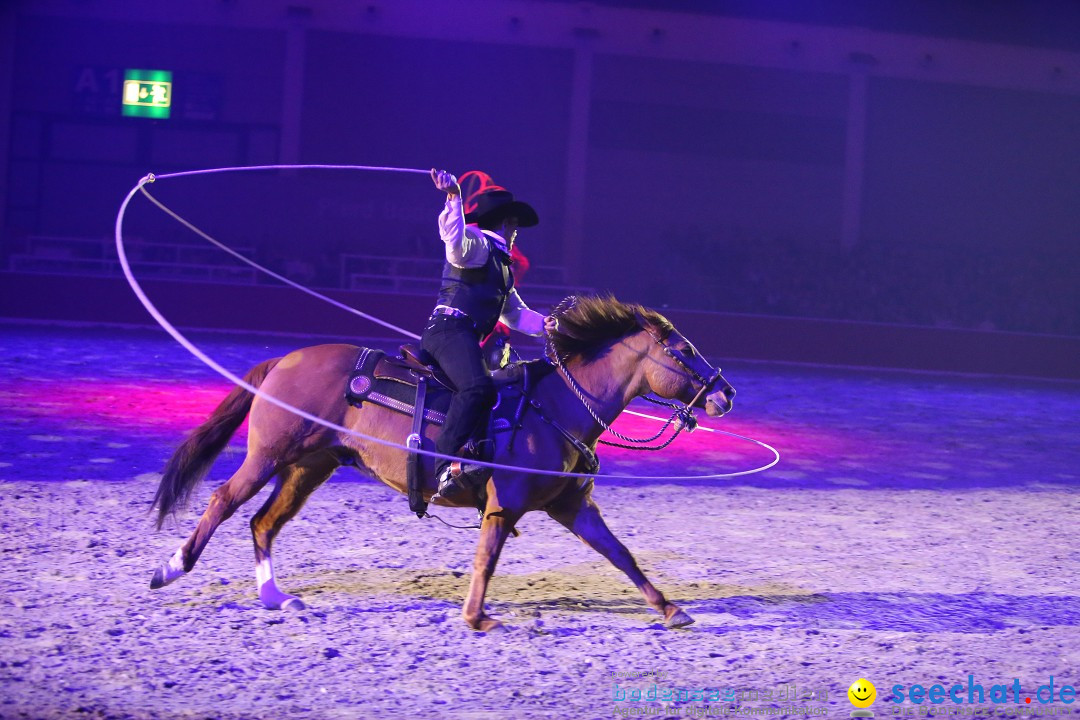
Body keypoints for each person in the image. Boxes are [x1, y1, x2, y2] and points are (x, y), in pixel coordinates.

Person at [422, 168, 555, 505]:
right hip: (449, 331)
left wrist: (547, 326)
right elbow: (454, 246)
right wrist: (453, 197)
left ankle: (481, 464)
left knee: (498, 389)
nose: (517, 232)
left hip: (465, 336)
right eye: (514, 225)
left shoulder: (502, 264)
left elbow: (515, 314)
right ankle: (443, 467)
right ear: (506, 223)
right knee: (478, 387)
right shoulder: (477, 244)